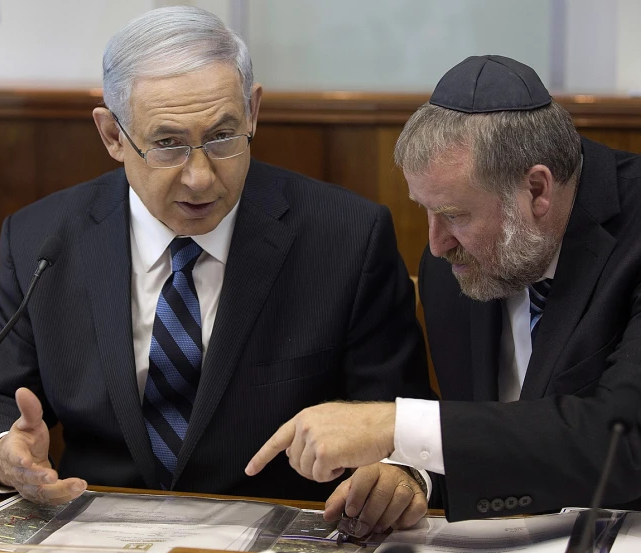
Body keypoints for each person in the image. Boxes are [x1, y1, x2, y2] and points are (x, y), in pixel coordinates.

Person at [0, 5, 430, 520]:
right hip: (99, 527)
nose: (199, 177)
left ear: (253, 110)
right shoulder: (42, 240)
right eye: (168, 144)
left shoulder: (347, 238)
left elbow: (403, 424)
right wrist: (6, 454)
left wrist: (397, 475)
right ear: (112, 135)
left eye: (222, 137)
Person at [247, 55, 641, 522]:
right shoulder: (455, 266)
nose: (435, 246)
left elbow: (625, 440)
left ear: (537, 190)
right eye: (426, 211)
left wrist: (394, 425)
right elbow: (488, 436)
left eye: (455, 215)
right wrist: (415, 476)